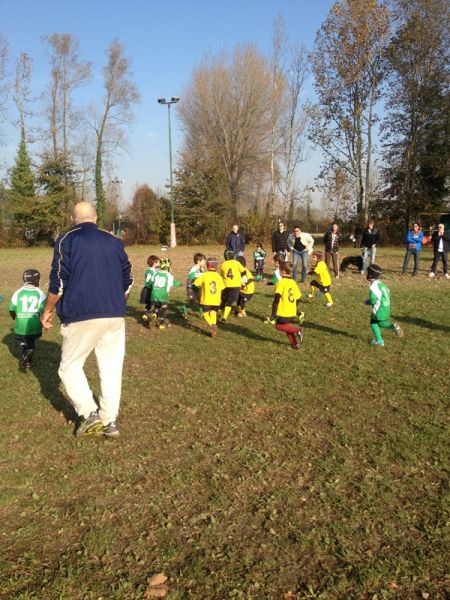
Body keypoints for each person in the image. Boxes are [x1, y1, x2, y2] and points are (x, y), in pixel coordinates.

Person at [40, 201, 133, 438]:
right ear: (95, 217)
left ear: (73, 219)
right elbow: (128, 278)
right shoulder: (114, 240)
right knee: (111, 369)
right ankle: (109, 421)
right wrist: (115, 301)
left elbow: (58, 281)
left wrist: (47, 310)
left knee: (69, 367)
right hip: (115, 314)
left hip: (81, 313)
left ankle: (90, 413)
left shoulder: (66, 240)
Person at [9, 269, 46, 370]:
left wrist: (14, 317)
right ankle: (28, 359)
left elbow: (11, 309)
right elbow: (43, 309)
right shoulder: (40, 293)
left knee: (23, 341)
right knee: (31, 342)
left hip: (21, 323)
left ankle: (26, 351)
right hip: (34, 324)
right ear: (36, 280)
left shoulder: (18, 292)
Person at [365, 264, 403, 347]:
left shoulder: (373, 287)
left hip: (379, 308)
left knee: (373, 323)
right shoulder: (382, 284)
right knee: (380, 323)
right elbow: (388, 292)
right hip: (386, 307)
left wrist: (368, 302)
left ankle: (379, 341)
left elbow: (373, 300)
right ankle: (392, 326)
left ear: (370, 275)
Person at [270, 262, 304, 350]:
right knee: (287, 327)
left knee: (279, 326)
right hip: (291, 310)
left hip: (283, 310)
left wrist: (273, 313)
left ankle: (297, 330)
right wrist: (294, 307)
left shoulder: (281, 282)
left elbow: (277, 297)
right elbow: (298, 297)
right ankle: (294, 344)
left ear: (283, 272)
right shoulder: (293, 282)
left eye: (280, 270)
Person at [193, 257, 225, 337]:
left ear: (207, 266)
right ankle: (214, 325)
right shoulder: (218, 276)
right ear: (216, 266)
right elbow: (222, 287)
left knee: (205, 314)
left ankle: (212, 325)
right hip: (216, 300)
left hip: (206, 299)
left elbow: (196, 283)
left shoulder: (204, 275)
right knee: (213, 312)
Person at [149, 256, 181, 328]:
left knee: (157, 306)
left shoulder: (156, 274)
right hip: (163, 294)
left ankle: (154, 313)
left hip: (154, 293)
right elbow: (174, 283)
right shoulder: (169, 276)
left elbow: (152, 282)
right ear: (168, 266)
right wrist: (180, 284)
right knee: (164, 308)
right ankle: (161, 324)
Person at [219, 250, 247, 322]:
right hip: (235, 286)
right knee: (229, 302)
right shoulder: (237, 263)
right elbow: (243, 271)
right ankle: (224, 317)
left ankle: (217, 313)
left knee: (223, 300)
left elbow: (221, 274)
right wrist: (243, 278)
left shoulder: (223, 264)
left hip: (225, 285)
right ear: (233, 256)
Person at [180, 252, 206, 318]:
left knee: (200, 300)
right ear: (198, 261)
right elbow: (191, 276)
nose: (204, 262)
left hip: (198, 287)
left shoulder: (202, 270)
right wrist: (196, 278)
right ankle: (183, 308)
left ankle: (201, 313)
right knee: (193, 300)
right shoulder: (194, 269)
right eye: (203, 261)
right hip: (191, 287)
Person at [141, 255, 160, 326]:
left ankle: (145, 313)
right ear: (155, 263)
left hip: (146, 289)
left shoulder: (147, 270)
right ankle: (155, 313)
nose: (160, 263)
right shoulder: (157, 270)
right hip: (153, 289)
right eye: (158, 262)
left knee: (148, 304)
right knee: (157, 303)